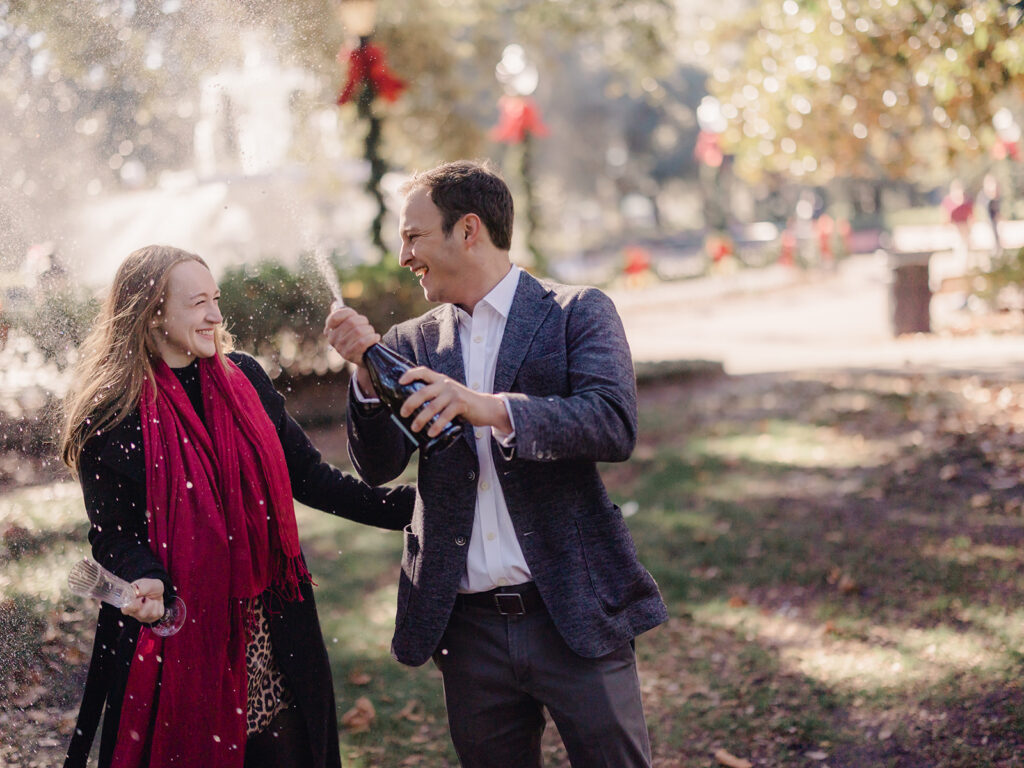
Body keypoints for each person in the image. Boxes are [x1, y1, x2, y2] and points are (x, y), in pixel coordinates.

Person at [325, 160, 668, 767]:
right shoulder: (406, 344)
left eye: (414, 236)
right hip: (468, 631)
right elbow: (378, 466)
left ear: (468, 230)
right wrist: (365, 376)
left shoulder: (577, 311)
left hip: (573, 610)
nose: (404, 256)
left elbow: (612, 423)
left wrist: (488, 408)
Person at [59, 245, 415, 768]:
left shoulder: (244, 379)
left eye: (217, 299)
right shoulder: (112, 417)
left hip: (272, 631)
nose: (215, 315)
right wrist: (145, 575)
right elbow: (113, 533)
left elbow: (310, 478)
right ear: (153, 313)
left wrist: (417, 507)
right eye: (198, 302)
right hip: (180, 639)